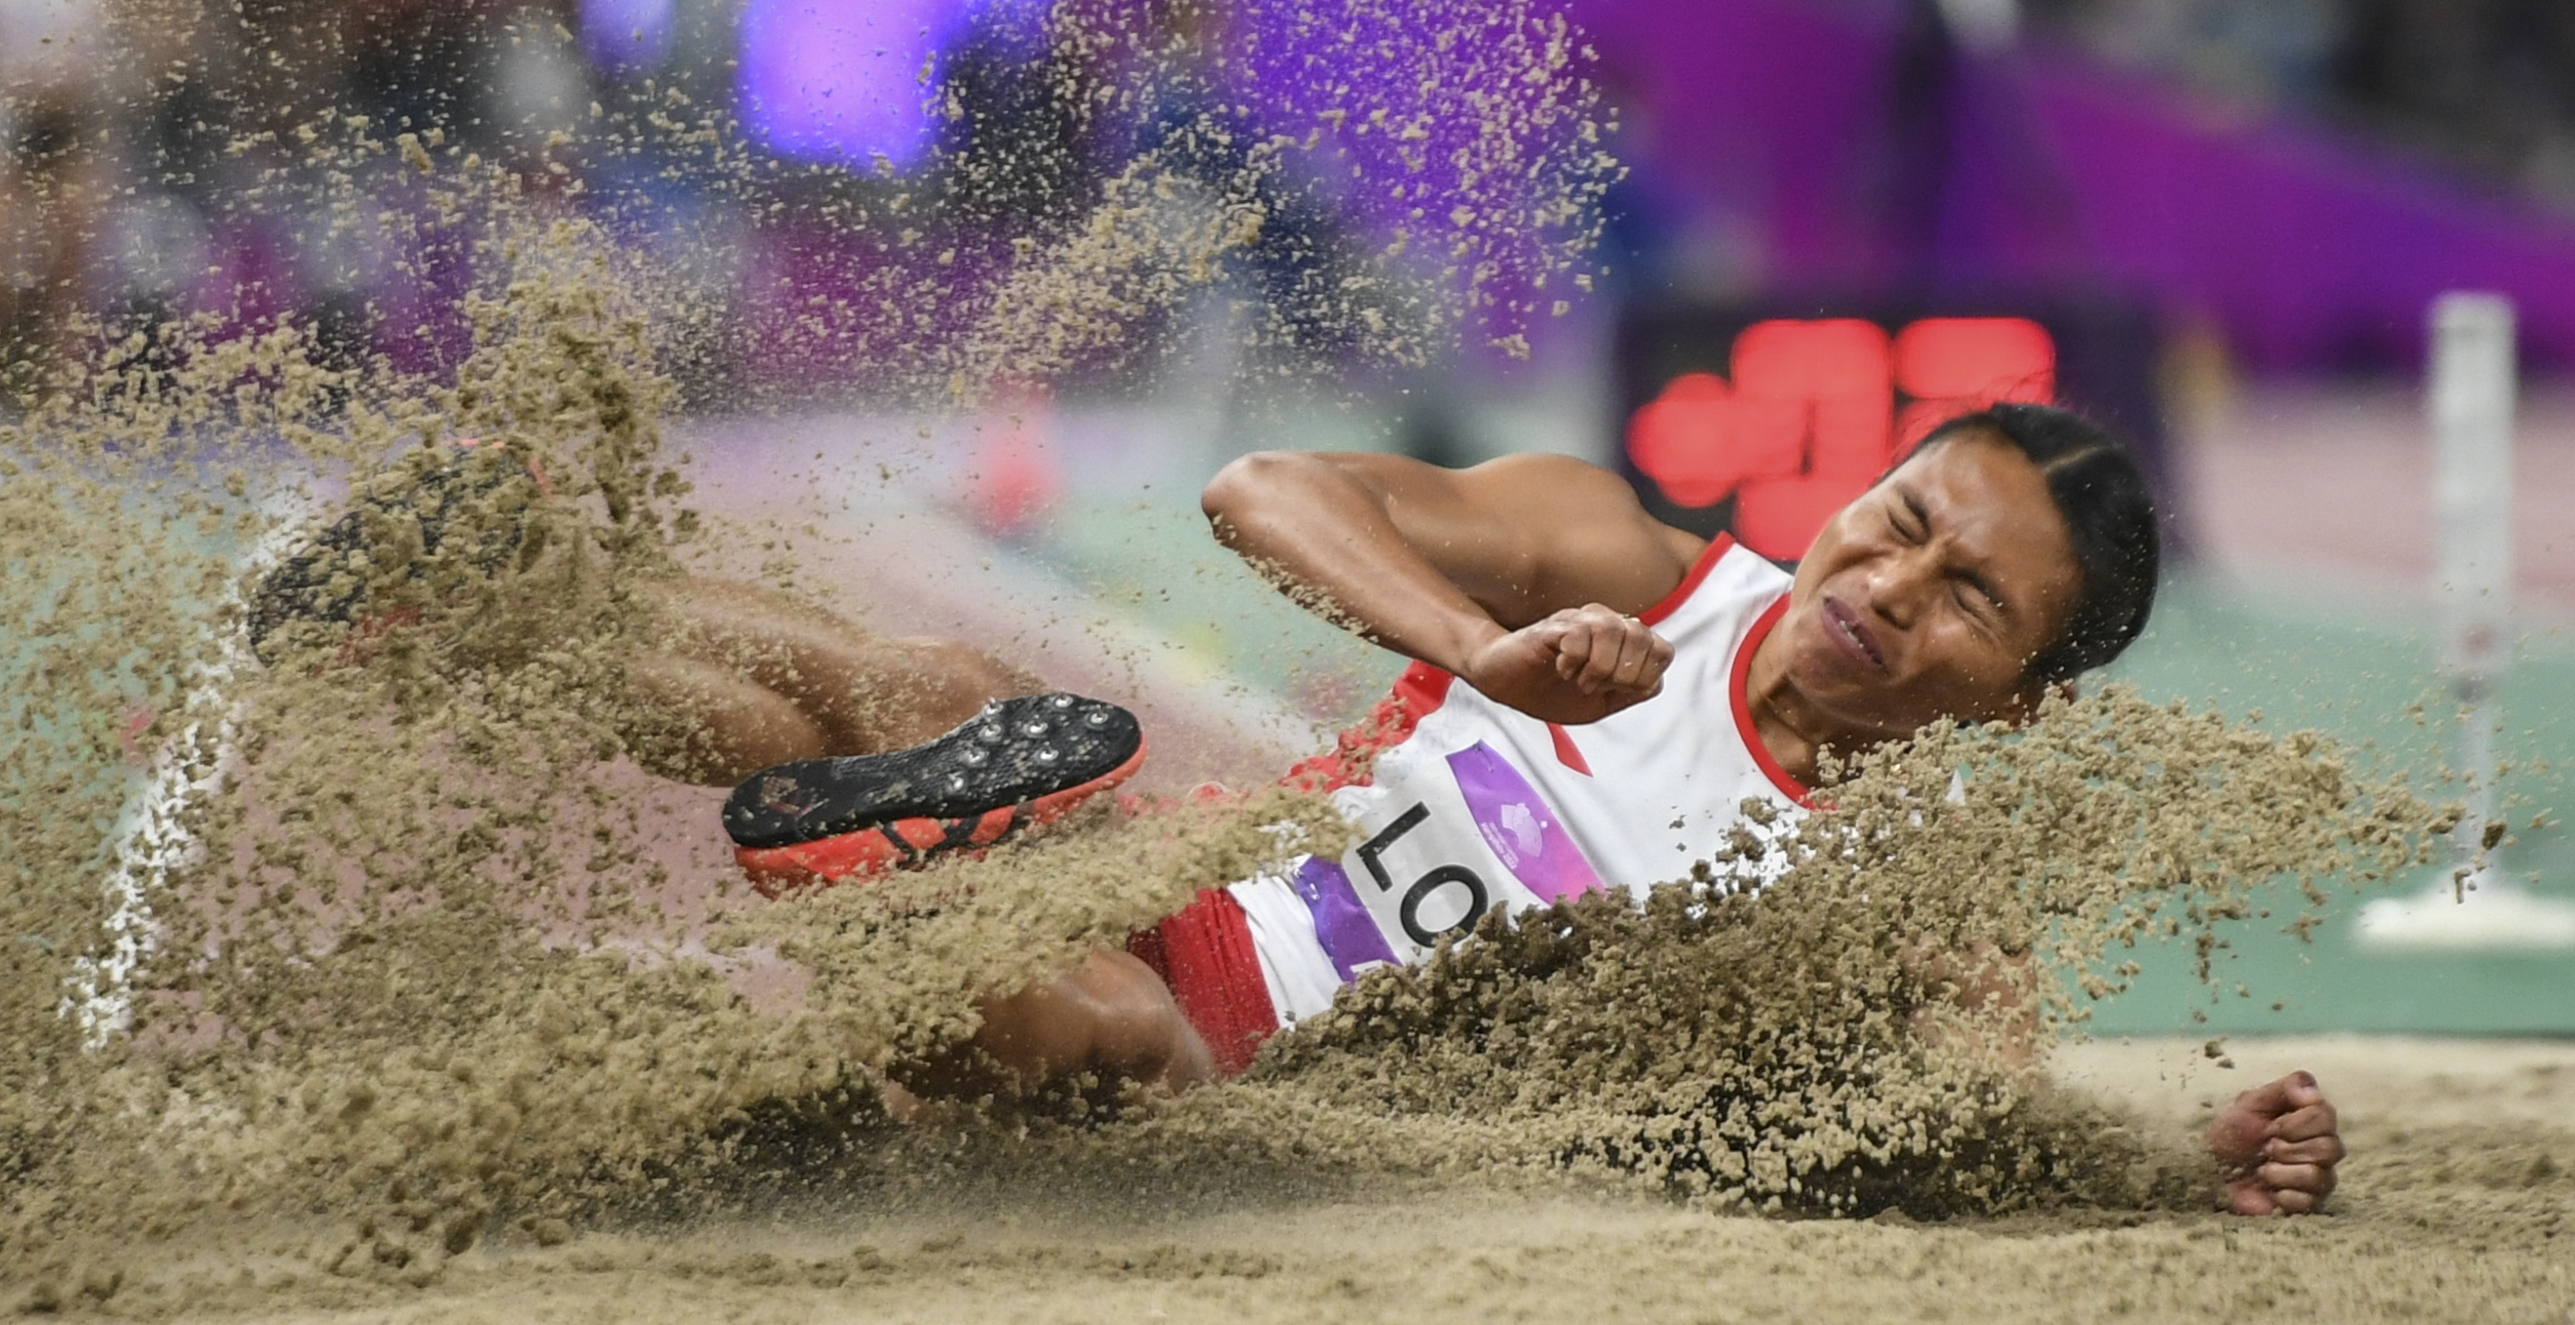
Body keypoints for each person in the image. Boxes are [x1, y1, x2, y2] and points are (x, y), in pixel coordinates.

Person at [256, 404, 2343, 1218]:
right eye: (1891, 526)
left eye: (1962, 595)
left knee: (1105, 1046)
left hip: (1234, 1086)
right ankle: (479, 592)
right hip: (1178, 887)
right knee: (938, 704)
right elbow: (1263, 492)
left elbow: (1954, 1119)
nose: (1881, 591)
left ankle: (881, 879)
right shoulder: (1637, 575)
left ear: (2026, 690)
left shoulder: (1903, 882)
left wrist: (2174, 1164)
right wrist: (1484, 641)